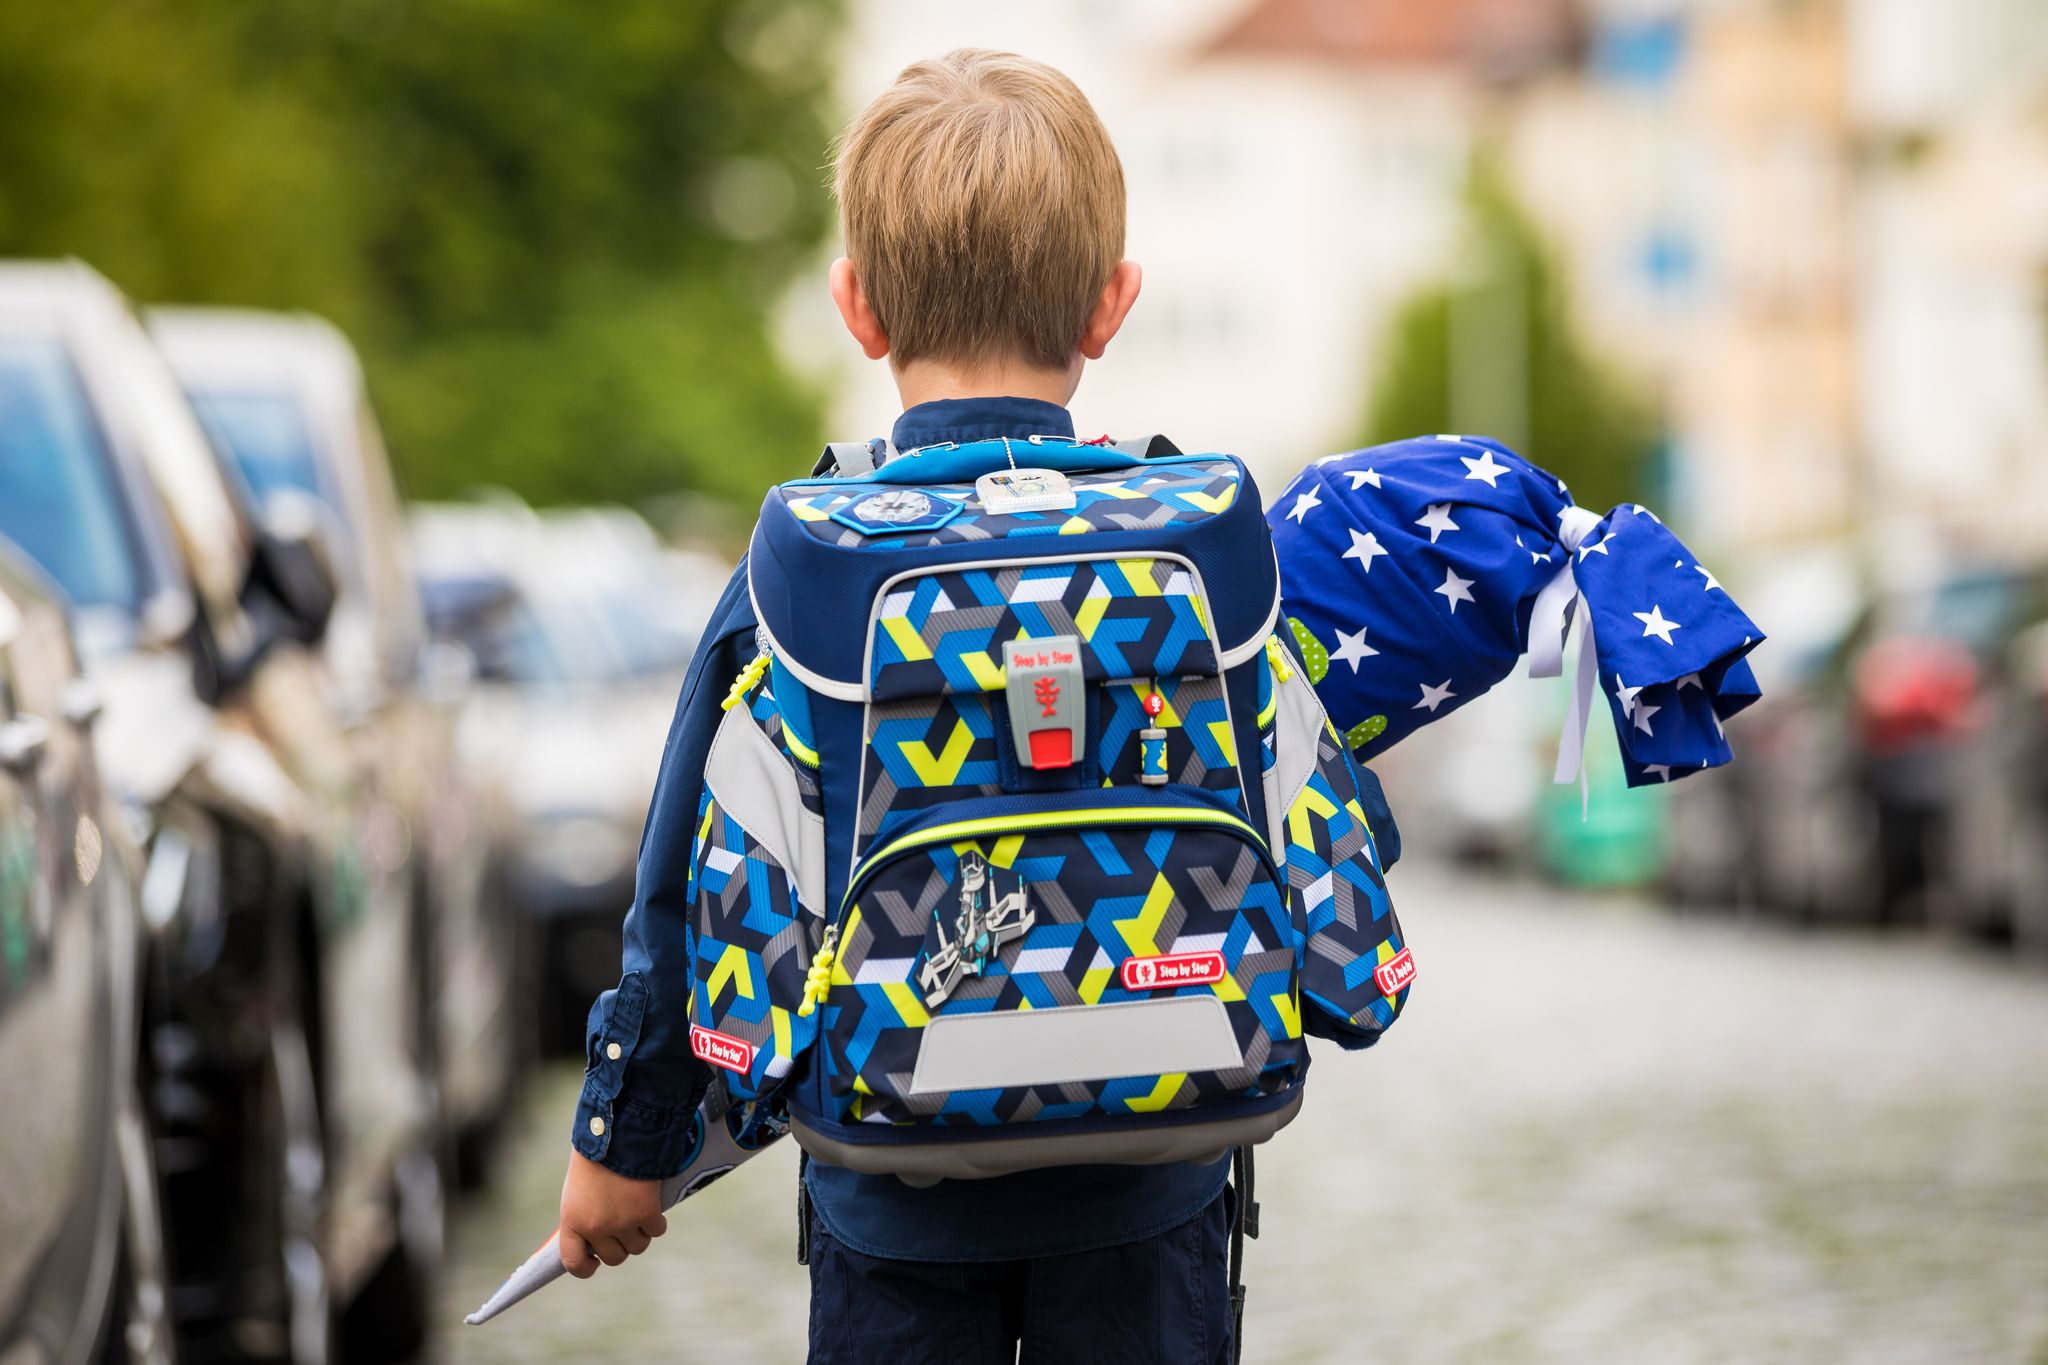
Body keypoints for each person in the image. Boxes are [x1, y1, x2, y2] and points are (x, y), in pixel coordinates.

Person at [553, 49, 1397, 1363]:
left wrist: (627, 1136)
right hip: (1156, 1177)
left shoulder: (809, 563)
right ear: (1113, 306)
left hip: (893, 1184)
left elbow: (681, 878)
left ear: (857, 307)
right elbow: (1329, 850)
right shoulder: (1202, 547)